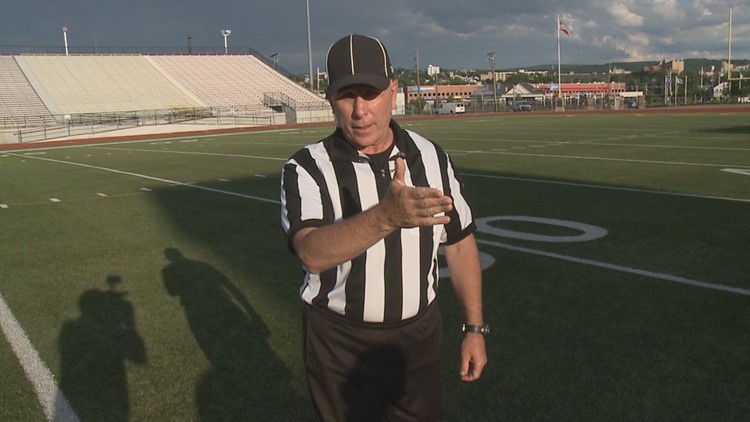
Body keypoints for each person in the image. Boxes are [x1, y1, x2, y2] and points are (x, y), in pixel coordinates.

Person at [280, 33, 487, 421]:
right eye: (347, 95)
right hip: (339, 341)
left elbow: (458, 243)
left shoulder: (431, 157)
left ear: (394, 91)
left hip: (417, 337)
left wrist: (475, 327)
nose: (361, 110)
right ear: (330, 100)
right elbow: (311, 253)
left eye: (371, 92)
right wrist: (385, 216)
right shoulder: (307, 168)